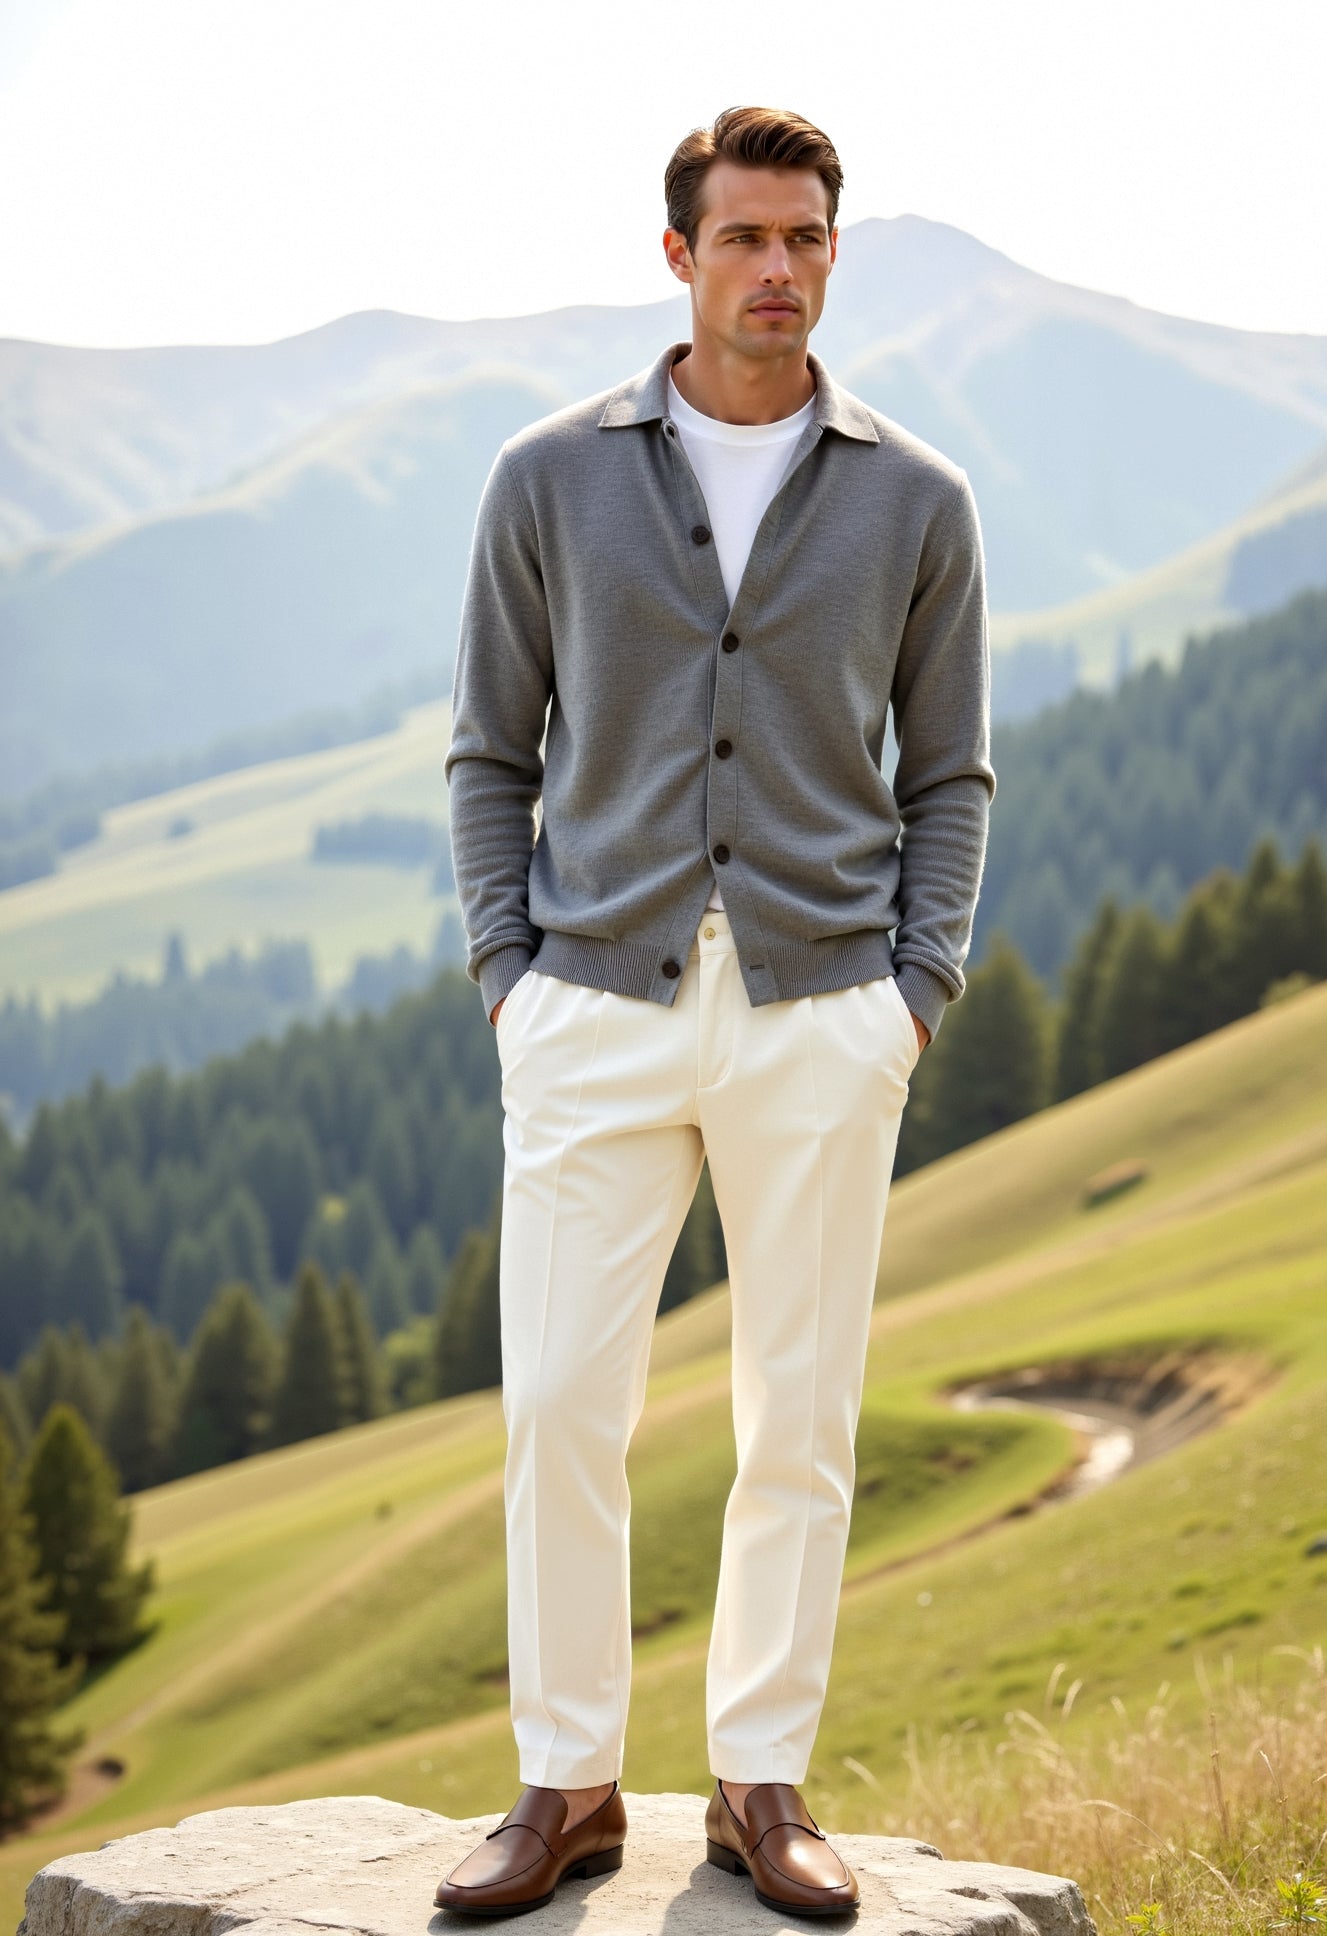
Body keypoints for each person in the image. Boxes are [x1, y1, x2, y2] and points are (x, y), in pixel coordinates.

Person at [437, 103, 994, 1919]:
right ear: (677, 255)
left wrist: (915, 995)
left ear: (835, 253)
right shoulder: (550, 477)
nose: (778, 269)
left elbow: (954, 775)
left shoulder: (918, 496)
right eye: (745, 237)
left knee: (798, 1416)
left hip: (828, 1015)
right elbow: (486, 753)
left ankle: (761, 1787)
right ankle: (567, 1787)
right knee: (563, 1411)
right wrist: (510, 983)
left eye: (807, 238)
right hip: (590, 1008)